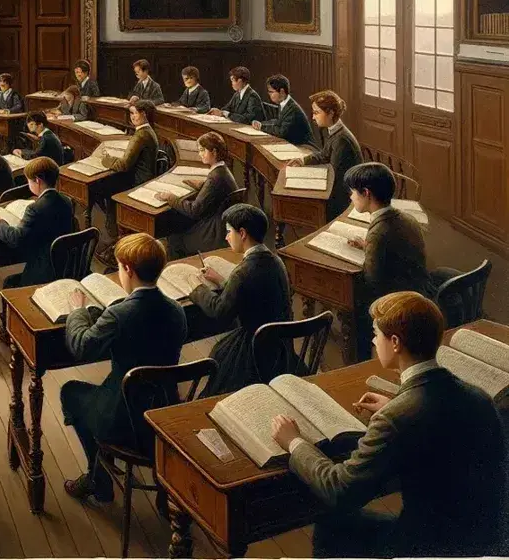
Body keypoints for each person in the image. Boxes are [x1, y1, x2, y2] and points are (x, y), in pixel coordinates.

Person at [270, 292, 507, 558]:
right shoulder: (479, 398)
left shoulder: (396, 418)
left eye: (375, 333)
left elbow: (340, 489)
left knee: (331, 525)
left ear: (395, 342)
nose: (373, 340)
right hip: (489, 543)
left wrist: (294, 442)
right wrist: (397, 404)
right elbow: (435, 422)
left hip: (430, 549)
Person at [60, 234, 187, 502]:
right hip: (165, 410)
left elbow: (82, 346)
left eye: (119, 268)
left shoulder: (119, 314)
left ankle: (99, 479)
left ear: (128, 269)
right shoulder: (176, 310)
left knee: (70, 392)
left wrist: (77, 312)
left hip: (124, 418)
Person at [340, 162, 455, 359]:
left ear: (366, 193)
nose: (351, 197)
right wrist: (367, 245)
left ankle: (357, 362)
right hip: (420, 287)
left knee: (348, 308)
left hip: (402, 302)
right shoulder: (405, 217)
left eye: (353, 192)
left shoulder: (379, 231)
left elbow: (372, 281)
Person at [189, 203, 293, 395]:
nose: (226, 237)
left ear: (243, 233)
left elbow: (219, 312)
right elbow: (253, 289)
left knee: (219, 356)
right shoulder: (274, 259)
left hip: (255, 347)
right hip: (280, 342)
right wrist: (221, 280)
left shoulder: (244, 271)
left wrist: (197, 290)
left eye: (229, 232)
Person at [0, 157, 75, 290]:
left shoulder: (35, 208)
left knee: (9, 282)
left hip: (44, 271)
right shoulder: (67, 201)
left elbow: (16, 239)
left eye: (29, 181)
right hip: (67, 266)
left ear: (37, 181)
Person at [98, 100, 161, 260]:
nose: (132, 117)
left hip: (138, 183)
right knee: (108, 186)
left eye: (135, 113)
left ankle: (116, 240)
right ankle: (114, 236)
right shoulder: (147, 131)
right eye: (131, 113)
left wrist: (106, 159)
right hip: (143, 178)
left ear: (144, 114)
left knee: (106, 189)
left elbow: (124, 165)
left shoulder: (141, 134)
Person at [159, 132, 238, 258]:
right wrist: (203, 185)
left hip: (213, 233)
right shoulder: (222, 170)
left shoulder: (215, 177)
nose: (200, 154)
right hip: (219, 225)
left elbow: (194, 210)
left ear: (214, 152)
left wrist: (171, 198)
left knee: (174, 239)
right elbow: (215, 191)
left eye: (203, 150)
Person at [292, 90, 362, 219]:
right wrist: (303, 161)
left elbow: (336, 179)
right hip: (340, 190)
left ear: (330, 113)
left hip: (346, 199)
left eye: (317, 113)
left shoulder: (341, 139)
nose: (313, 117)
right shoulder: (335, 131)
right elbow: (325, 154)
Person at [252, 74, 313, 145]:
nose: (269, 94)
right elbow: (279, 122)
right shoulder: (284, 103)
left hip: (304, 147)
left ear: (282, 91)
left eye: (271, 92)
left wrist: (261, 127)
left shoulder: (292, 109)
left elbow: (282, 132)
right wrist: (262, 124)